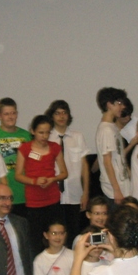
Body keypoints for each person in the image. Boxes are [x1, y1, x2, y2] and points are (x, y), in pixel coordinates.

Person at [15, 115, 68, 256]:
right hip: (34, 203)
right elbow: (18, 175)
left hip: (53, 200)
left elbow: (64, 173)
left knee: (57, 237)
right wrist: (34, 181)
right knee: (36, 241)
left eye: (47, 132)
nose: (44, 136)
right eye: (41, 132)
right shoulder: (25, 148)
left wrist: (52, 179)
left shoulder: (55, 147)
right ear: (32, 131)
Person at [47, 100, 90, 245]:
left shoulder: (77, 136)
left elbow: (84, 166)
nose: (61, 116)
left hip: (75, 193)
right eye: (57, 113)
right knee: (56, 234)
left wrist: (86, 193)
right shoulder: (47, 137)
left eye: (64, 113)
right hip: (53, 194)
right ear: (52, 116)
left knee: (74, 233)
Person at [0, 97, 32, 217]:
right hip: (2, 198)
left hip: (25, 195)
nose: (10, 117)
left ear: (17, 114)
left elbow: (35, 159)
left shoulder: (27, 136)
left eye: (13, 113)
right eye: (6, 114)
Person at [95, 87, 132, 207]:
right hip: (114, 190)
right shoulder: (106, 130)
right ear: (109, 104)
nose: (122, 107)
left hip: (123, 185)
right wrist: (116, 190)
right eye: (119, 103)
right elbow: (107, 162)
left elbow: (120, 157)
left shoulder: (112, 127)